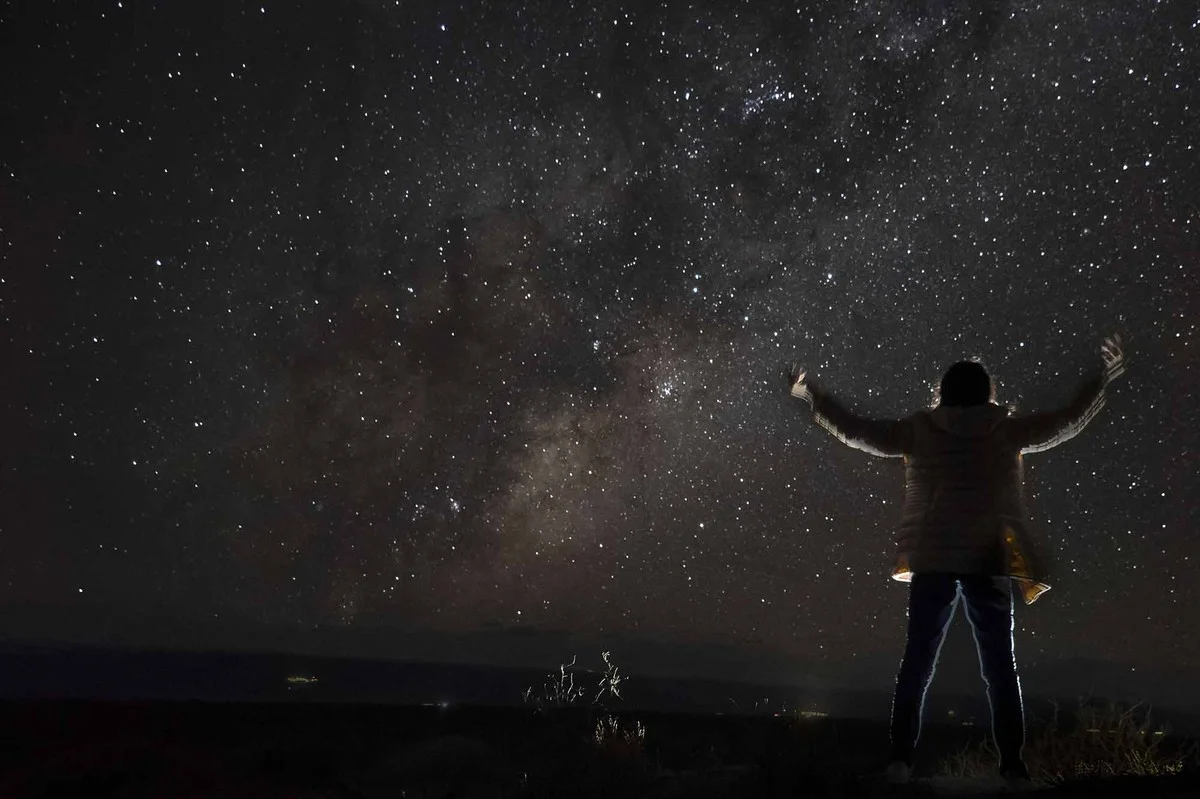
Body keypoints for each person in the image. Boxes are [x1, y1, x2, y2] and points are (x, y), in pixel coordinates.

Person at [786, 335, 1126, 788]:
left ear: (942, 392)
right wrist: (1101, 380)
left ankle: (900, 761)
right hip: (989, 556)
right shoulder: (1006, 430)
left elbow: (857, 431)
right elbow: (1066, 423)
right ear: (988, 392)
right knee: (1000, 666)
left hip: (933, 556)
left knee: (917, 662)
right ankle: (1013, 767)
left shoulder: (919, 431)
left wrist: (813, 396)